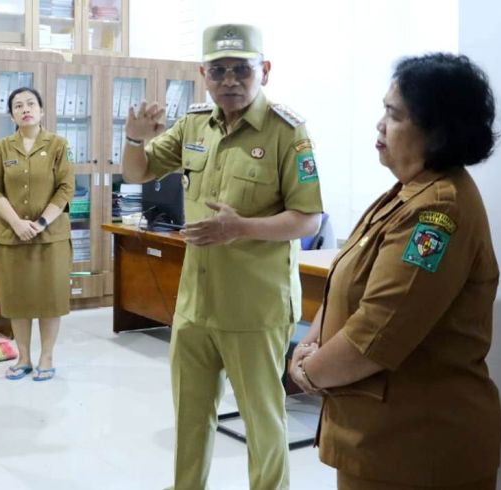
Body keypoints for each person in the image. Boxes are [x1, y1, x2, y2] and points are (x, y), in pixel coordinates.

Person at [122, 24, 323, 490]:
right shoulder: (195, 123)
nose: (230, 79)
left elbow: (308, 218)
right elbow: (138, 171)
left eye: (241, 69)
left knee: (263, 423)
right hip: (196, 303)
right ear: (204, 75)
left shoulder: (287, 131)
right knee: (191, 420)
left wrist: (241, 228)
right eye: (219, 70)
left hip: (255, 307)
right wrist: (133, 139)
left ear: (264, 71)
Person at [288, 53, 501, 490]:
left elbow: (376, 333)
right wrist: (309, 342)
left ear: (437, 131)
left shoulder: (438, 210)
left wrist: (309, 373)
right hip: (382, 440)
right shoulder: (405, 194)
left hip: (419, 451)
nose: (380, 125)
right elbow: (343, 286)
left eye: (394, 114)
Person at [0, 87, 74, 382]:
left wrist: (41, 223)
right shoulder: (2, 147)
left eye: (31, 104)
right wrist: (17, 223)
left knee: (50, 298)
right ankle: (23, 357)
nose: (25, 109)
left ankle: (46, 356)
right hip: (13, 237)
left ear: (42, 110)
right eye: (18, 105)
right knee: (16, 298)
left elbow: (65, 188)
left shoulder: (58, 144)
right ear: (11, 113)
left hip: (50, 237)